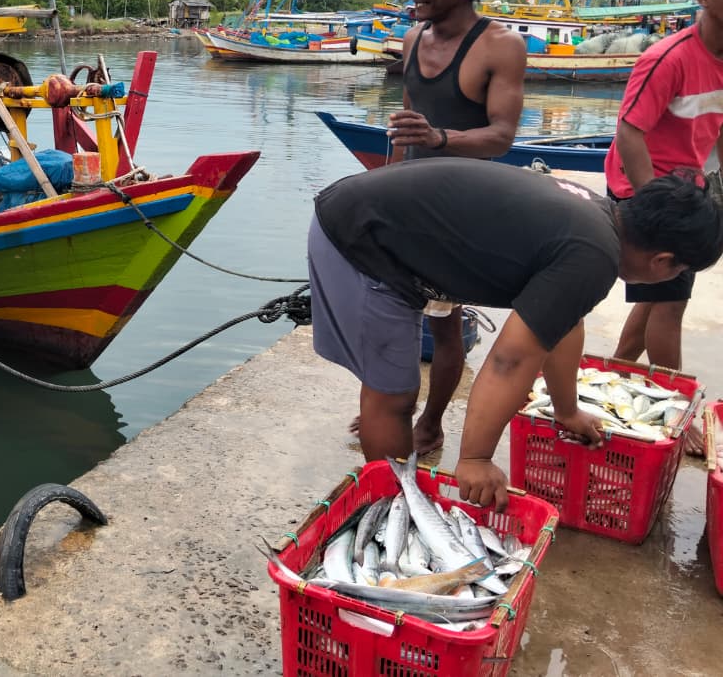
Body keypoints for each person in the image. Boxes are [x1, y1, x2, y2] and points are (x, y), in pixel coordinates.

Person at [309, 158, 723, 510]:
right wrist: (475, 458)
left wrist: (567, 410)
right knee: (394, 394)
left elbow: (562, 326)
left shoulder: (598, 220)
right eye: (680, 271)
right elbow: (510, 359)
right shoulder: (594, 254)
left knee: (397, 387)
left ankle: (399, 502)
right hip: (360, 239)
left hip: (385, 226)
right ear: (663, 260)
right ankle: (393, 509)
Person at [351, 0, 527, 457]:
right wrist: (386, 185)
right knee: (389, 313)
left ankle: (430, 421)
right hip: (408, 199)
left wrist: (440, 137)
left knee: (446, 325)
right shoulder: (412, 38)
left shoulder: (501, 46)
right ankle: (386, 407)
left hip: (459, 207)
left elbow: (501, 136)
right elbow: (406, 129)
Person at [604, 0, 723, 454]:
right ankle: (676, 411)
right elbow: (629, 132)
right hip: (645, 190)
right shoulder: (668, 58)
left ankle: (616, 373)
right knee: (671, 301)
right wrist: (657, 205)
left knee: (655, 296)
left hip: (689, 189)